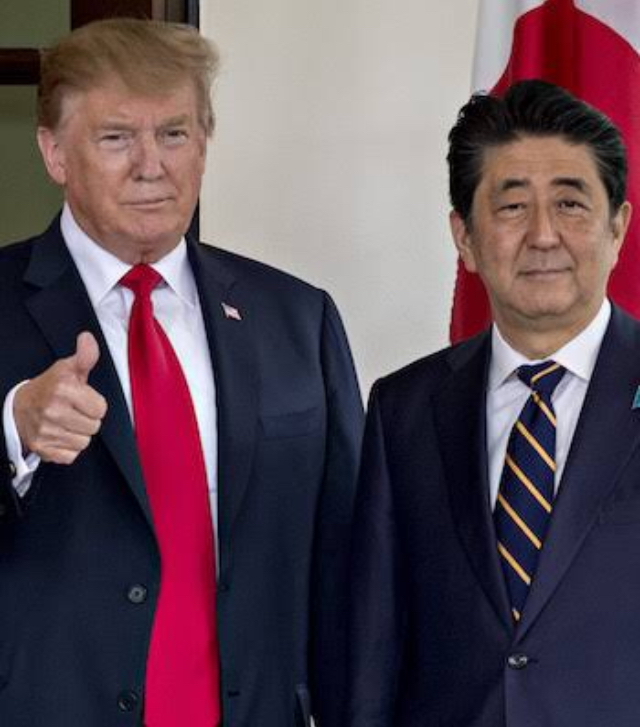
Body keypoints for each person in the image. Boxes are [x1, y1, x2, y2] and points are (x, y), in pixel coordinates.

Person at [0, 18, 363, 727]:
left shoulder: (299, 319)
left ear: (205, 141)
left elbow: (345, 561)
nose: (151, 165)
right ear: (54, 153)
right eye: (116, 138)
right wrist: (12, 428)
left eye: (174, 133)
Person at [346, 79, 640, 727]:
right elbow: (374, 647)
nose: (543, 235)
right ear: (466, 238)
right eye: (511, 207)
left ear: (617, 227)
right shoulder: (404, 409)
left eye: (570, 203)